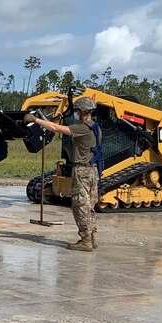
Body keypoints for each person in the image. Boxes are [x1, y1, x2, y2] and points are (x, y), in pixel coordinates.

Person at [24, 97, 102, 252]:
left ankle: (85, 241)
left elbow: (56, 128)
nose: (76, 114)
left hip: (82, 170)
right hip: (93, 170)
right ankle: (91, 238)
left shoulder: (83, 128)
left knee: (80, 205)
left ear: (83, 112)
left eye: (78, 111)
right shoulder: (96, 128)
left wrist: (36, 120)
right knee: (89, 205)